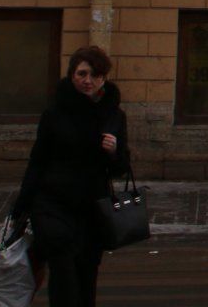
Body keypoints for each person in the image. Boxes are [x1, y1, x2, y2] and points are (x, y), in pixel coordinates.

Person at [12, 45, 130, 307]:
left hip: (92, 207)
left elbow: (122, 167)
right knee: (63, 269)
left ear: (104, 79)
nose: (88, 81)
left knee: (87, 272)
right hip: (53, 203)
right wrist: (21, 205)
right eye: (82, 74)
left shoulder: (113, 115)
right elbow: (38, 160)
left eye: (95, 75)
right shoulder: (54, 114)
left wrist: (113, 152)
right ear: (72, 75)